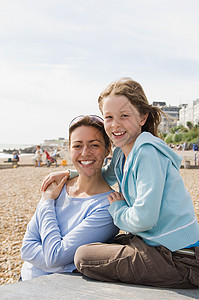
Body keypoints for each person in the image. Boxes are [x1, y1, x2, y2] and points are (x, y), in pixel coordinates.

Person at [41, 78, 199, 289]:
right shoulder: (123, 154)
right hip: (154, 245)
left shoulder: (147, 154)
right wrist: (70, 172)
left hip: (179, 258)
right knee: (90, 247)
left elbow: (144, 219)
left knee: (83, 256)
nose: (115, 124)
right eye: (109, 117)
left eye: (124, 116)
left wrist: (117, 209)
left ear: (142, 117)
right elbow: (105, 175)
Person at [20, 115, 118, 281]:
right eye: (77, 146)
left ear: (108, 149)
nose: (85, 153)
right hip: (23, 281)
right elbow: (26, 248)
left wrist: (47, 201)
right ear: (70, 149)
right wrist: (67, 266)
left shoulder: (108, 206)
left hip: (59, 290)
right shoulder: (57, 186)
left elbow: (55, 256)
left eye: (94, 145)